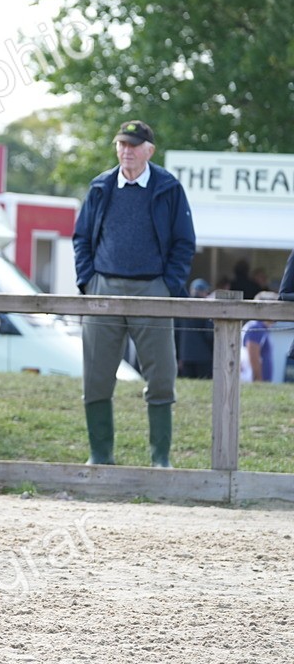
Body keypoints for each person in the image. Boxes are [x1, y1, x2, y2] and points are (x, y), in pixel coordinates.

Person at [73, 120, 195, 468]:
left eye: (134, 145)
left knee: (161, 377)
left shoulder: (168, 188)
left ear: (149, 151)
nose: (126, 150)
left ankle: (160, 461)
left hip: (153, 289)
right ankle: (100, 457)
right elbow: (81, 238)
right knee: (95, 376)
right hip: (104, 289)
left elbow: (185, 242)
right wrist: (88, 282)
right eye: (122, 144)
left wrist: (169, 285)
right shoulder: (100, 186)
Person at [175, 278, 214, 380]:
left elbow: (176, 334)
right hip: (204, 358)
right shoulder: (206, 309)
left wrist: (179, 357)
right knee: (205, 387)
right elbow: (210, 335)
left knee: (188, 387)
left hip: (185, 357)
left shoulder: (182, 309)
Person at [241, 291, 280, 383]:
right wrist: (259, 381)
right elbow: (253, 356)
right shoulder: (256, 327)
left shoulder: (261, 327)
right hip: (252, 381)